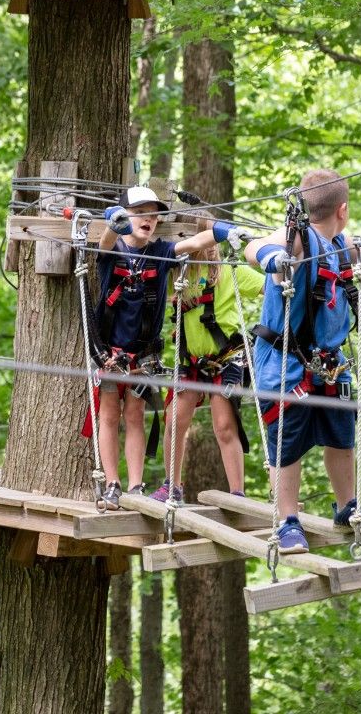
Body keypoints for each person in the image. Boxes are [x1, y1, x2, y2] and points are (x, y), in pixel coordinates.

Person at [232, 169, 361, 553]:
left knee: (342, 437)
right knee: (286, 445)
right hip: (286, 364)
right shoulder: (297, 239)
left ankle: (346, 506)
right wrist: (272, 258)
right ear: (342, 209)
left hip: (330, 364)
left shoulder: (339, 244)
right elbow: (255, 247)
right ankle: (287, 520)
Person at [87, 186, 220, 510]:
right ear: (126, 215)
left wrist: (224, 231)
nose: (148, 218)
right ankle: (112, 484)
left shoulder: (161, 252)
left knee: (135, 415)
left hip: (145, 354)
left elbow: (194, 243)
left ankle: (135, 485)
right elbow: (104, 242)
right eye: (140, 212)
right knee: (109, 415)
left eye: (153, 213)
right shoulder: (112, 250)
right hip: (111, 352)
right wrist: (112, 222)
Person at [150, 252, 260, 503]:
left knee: (224, 426)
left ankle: (237, 494)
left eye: (215, 244)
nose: (212, 250)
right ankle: (172, 486)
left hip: (226, 358)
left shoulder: (230, 271)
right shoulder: (177, 276)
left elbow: (271, 288)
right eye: (205, 243)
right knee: (174, 420)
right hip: (191, 361)